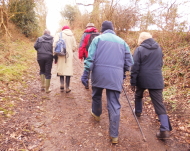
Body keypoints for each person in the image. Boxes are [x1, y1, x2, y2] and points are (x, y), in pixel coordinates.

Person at [81, 21, 134, 144]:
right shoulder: (123, 42)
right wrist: (123, 72)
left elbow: (90, 58)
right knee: (114, 104)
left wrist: (85, 73)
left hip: (99, 74)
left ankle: (96, 113)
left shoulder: (97, 40)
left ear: (102, 30)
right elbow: (129, 62)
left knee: (97, 95)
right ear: (113, 30)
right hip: (115, 77)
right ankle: (114, 135)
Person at [130, 32, 172, 139]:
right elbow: (160, 64)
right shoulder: (158, 48)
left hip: (142, 78)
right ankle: (165, 130)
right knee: (159, 103)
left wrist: (133, 82)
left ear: (141, 39)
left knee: (138, 95)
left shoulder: (139, 49)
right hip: (156, 78)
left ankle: (138, 112)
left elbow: (135, 67)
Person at [53, 26, 77, 93]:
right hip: (68, 56)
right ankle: (67, 87)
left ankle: (61, 84)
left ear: (62, 30)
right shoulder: (72, 36)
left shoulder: (58, 34)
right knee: (68, 70)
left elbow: (54, 44)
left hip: (60, 54)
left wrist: (55, 53)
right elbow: (74, 47)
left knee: (61, 69)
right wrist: (71, 50)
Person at [78, 23, 99, 89]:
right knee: (95, 69)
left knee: (87, 67)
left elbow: (82, 46)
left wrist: (81, 56)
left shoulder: (85, 34)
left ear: (87, 27)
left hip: (87, 54)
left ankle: (86, 83)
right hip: (96, 54)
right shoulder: (98, 34)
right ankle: (95, 83)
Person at [34, 29, 53, 93]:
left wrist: (40, 51)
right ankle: (47, 89)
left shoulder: (39, 38)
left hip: (40, 56)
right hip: (49, 57)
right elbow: (55, 47)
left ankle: (42, 86)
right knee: (48, 72)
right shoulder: (52, 39)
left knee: (42, 70)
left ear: (43, 33)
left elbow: (35, 46)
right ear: (49, 33)